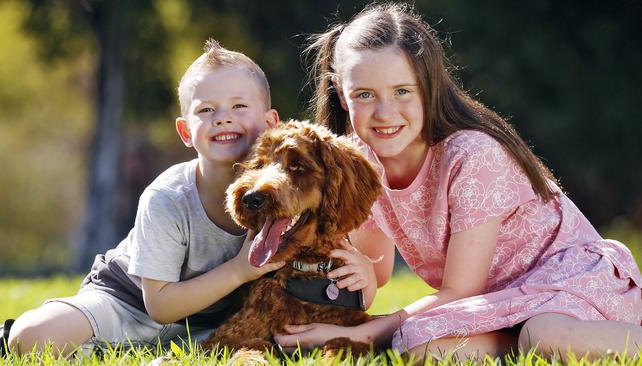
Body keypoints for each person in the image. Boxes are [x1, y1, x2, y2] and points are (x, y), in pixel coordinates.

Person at [274, 3, 642, 360]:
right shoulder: (358, 162)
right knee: (419, 348)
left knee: (543, 334)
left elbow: (459, 291)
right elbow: (377, 273)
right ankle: (520, 343)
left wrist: (361, 334)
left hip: (572, 284)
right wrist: (358, 271)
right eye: (364, 95)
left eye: (402, 91)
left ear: (428, 85)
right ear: (340, 91)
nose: (385, 113)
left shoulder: (472, 154)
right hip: (498, 306)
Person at [0, 39, 288, 357]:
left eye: (239, 106)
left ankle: (104, 353)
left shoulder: (286, 191)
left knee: (269, 343)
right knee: (31, 336)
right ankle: (10, 337)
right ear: (186, 131)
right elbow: (159, 304)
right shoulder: (168, 197)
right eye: (206, 109)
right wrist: (239, 270)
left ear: (271, 123)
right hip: (128, 301)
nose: (223, 118)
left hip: (206, 324)